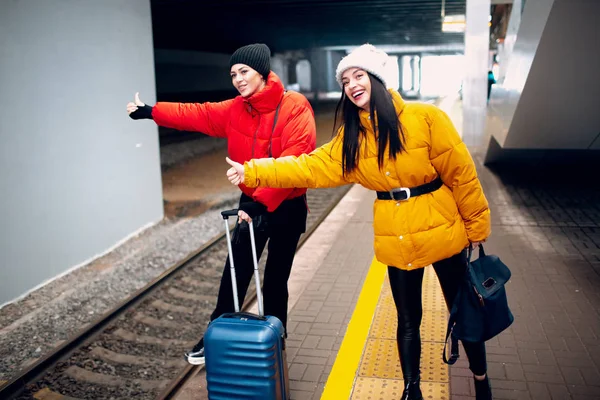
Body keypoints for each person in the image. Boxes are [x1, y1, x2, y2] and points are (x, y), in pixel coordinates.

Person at [225, 44, 493, 400]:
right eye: (346, 80)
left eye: (358, 76)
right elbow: (309, 166)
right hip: (396, 235)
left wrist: (477, 228)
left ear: (377, 79)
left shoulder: (426, 118)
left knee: (464, 315)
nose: (351, 85)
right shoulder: (351, 138)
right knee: (408, 319)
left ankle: (480, 378)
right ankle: (411, 390)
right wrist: (255, 170)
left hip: (444, 230)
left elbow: (462, 175)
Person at [127, 43, 317, 365]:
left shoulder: (294, 106)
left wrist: (261, 203)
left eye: (244, 71)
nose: (238, 79)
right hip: (251, 201)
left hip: (287, 202)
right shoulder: (235, 109)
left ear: (261, 70)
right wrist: (151, 111)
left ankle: (275, 338)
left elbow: (297, 159)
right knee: (236, 269)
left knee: (275, 279)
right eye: (233, 74)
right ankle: (215, 336)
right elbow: (195, 113)